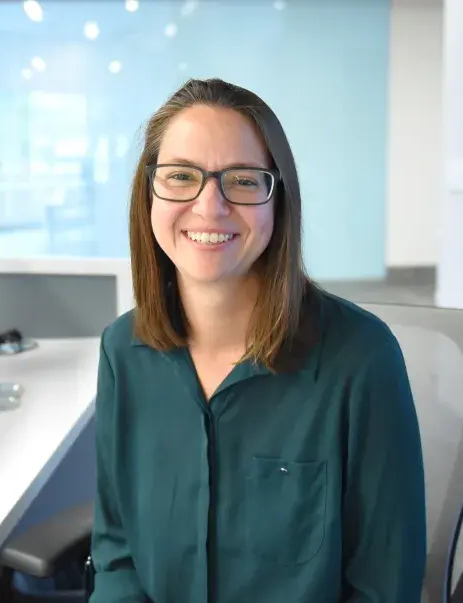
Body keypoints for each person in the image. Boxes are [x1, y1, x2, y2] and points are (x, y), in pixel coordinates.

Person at [89, 78, 426, 603]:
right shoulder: (121, 352)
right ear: (149, 193)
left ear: (278, 200)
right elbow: (117, 557)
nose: (209, 207)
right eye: (181, 176)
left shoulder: (361, 359)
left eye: (243, 181)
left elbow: (384, 587)